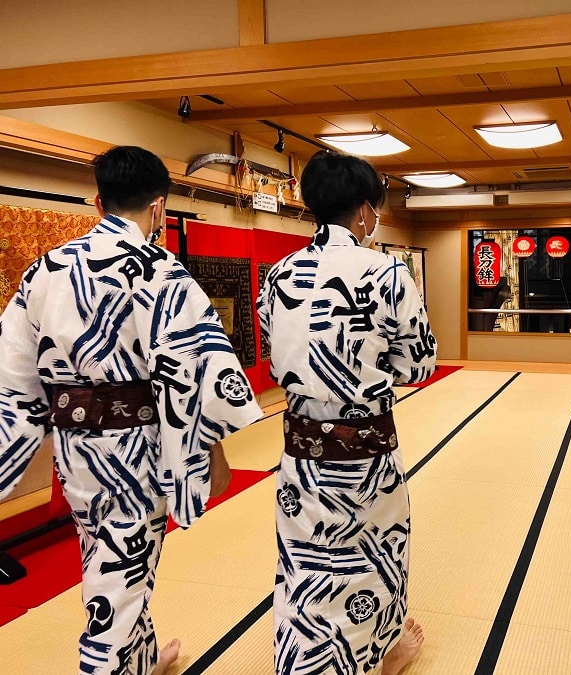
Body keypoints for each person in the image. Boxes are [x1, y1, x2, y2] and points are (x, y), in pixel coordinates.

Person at [0, 146, 263, 674]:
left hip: (75, 452)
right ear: (160, 207)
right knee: (119, 574)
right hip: (135, 451)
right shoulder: (160, 271)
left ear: (98, 201)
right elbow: (194, 374)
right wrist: (206, 451)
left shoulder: (45, 271)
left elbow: (13, 372)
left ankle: (142, 659)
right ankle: (109, 664)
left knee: (109, 559)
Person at [258, 150, 436, 675]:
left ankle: (303, 659)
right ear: (363, 211)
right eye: (375, 210)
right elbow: (420, 361)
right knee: (373, 552)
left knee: (305, 558)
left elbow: (274, 355)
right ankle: (381, 651)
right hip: (367, 454)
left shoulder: (280, 274)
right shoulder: (387, 271)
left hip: (303, 453)